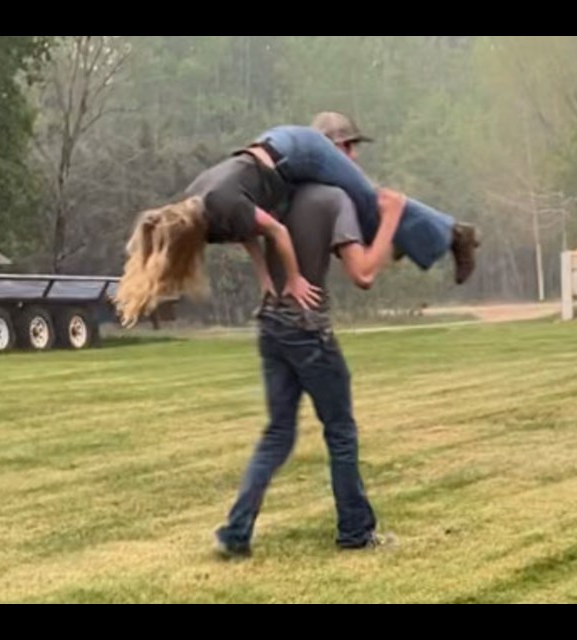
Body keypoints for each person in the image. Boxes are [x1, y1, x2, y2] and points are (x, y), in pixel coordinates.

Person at [114, 117, 479, 328]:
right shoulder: (198, 214)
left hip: (299, 150)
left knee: (371, 205)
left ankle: (455, 234)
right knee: (368, 214)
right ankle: (431, 237)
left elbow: (276, 230)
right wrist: (266, 283)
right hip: (279, 150)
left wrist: (293, 279)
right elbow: (248, 236)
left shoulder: (214, 207)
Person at [214, 183, 405, 558]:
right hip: (308, 330)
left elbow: (243, 233)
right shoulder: (334, 198)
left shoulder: (275, 194)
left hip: (271, 324)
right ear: (339, 151)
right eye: (350, 148)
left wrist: (265, 279)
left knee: (278, 434)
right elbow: (363, 274)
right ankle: (355, 532)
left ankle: (236, 532)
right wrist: (392, 217)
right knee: (341, 431)